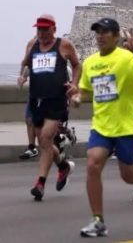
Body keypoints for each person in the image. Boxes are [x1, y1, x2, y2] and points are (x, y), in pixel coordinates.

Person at [72, 18, 133, 237]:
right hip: (101, 126)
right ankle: (98, 220)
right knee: (93, 164)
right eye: (98, 32)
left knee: (128, 175)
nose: (100, 36)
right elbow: (86, 91)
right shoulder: (90, 62)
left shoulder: (127, 58)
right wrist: (77, 97)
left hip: (127, 126)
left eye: (105, 32)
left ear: (116, 36)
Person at [17, 14, 80, 201]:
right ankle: (63, 166)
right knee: (44, 143)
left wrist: (74, 83)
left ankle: (40, 183)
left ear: (54, 29)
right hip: (36, 99)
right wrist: (23, 76)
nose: (42, 33)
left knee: (45, 138)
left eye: (46, 30)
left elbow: (77, 65)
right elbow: (25, 64)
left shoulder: (64, 45)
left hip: (56, 100)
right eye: (39, 30)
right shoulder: (32, 45)